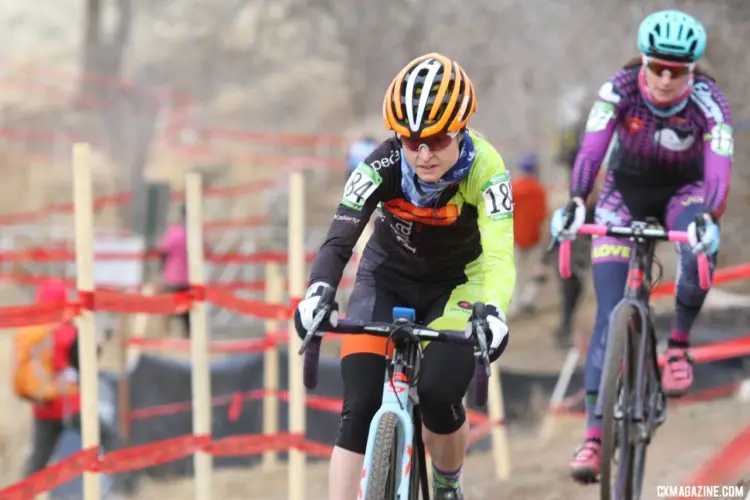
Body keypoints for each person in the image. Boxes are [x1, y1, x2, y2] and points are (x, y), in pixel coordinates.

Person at [294, 52, 515, 500]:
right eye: (412, 141)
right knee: (357, 407)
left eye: (436, 138)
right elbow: (339, 239)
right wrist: (317, 292)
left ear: (461, 128)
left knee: (437, 395)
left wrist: (493, 311)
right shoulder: (381, 165)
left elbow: (498, 254)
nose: (424, 153)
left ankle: (448, 485)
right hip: (386, 275)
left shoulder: (488, 171)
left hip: (458, 286)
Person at [549, 10, 731, 483]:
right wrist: (574, 201)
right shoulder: (620, 88)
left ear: (692, 70)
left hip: (684, 195)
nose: (666, 79)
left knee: (696, 251)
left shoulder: (710, 102)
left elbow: (718, 171)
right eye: (658, 67)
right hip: (622, 194)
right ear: (644, 62)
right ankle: (592, 437)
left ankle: (678, 347)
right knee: (611, 309)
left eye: (678, 71)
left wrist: (709, 217)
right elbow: (591, 150)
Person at [508, 152, 548, 317]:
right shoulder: (539, 190)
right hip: (534, 238)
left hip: (514, 238)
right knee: (536, 271)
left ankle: (515, 306)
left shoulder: (512, 188)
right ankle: (527, 300)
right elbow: (542, 217)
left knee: (514, 273)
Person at [157, 204, 191, 337]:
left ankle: (167, 335)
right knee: (187, 311)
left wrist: (162, 271)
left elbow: (162, 252)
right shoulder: (192, 233)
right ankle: (187, 335)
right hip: (188, 278)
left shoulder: (172, 233)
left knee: (170, 309)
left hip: (172, 277)